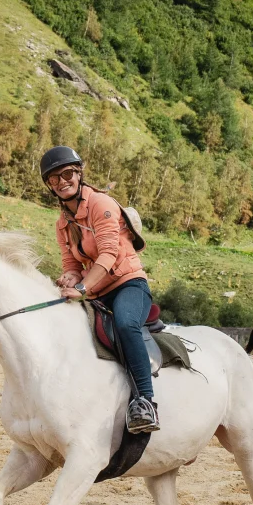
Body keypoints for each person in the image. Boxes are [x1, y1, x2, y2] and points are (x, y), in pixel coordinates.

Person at [41, 145, 159, 434]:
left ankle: (146, 402)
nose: (62, 182)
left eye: (67, 174)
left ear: (79, 174)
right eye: (54, 179)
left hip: (128, 284)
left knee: (126, 324)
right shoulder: (61, 224)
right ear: (49, 186)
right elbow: (71, 264)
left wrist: (81, 287)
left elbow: (108, 253)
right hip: (95, 291)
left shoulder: (101, 204)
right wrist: (69, 278)